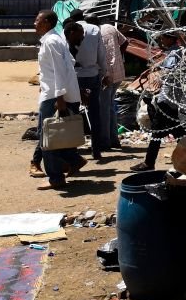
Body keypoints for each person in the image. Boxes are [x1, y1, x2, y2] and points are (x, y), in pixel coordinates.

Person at [132, 31, 186, 172]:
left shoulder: (175, 53)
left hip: (167, 97)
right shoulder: (179, 51)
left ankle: (149, 163)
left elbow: (169, 72)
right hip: (172, 96)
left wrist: (157, 75)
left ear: (170, 39)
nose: (161, 40)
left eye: (163, 37)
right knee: (174, 129)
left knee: (160, 129)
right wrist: (156, 68)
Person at [34, 10, 84, 189]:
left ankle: (55, 177)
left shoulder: (52, 41)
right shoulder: (55, 39)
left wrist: (59, 96)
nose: (35, 23)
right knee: (56, 133)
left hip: (54, 95)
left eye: (38, 20)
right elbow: (69, 62)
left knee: (48, 136)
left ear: (47, 22)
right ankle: (73, 160)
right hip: (57, 92)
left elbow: (59, 69)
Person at [66, 10, 110, 161]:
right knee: (94, 112)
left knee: (72, 113)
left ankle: (72, 150)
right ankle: (96, 149)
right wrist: (105, 73)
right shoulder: (94, 29)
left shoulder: (67, 30)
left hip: (74, 76)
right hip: (92, 75)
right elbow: (101, 54)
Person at [96, 18, 129, 148]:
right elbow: (125, 41)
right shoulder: (110, 28)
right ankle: (113, 139)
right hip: (118, 72)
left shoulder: (94, 33)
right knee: (109, 106)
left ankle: (105, 141)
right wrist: (120, 56)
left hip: (106, 75)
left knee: (104, 108)